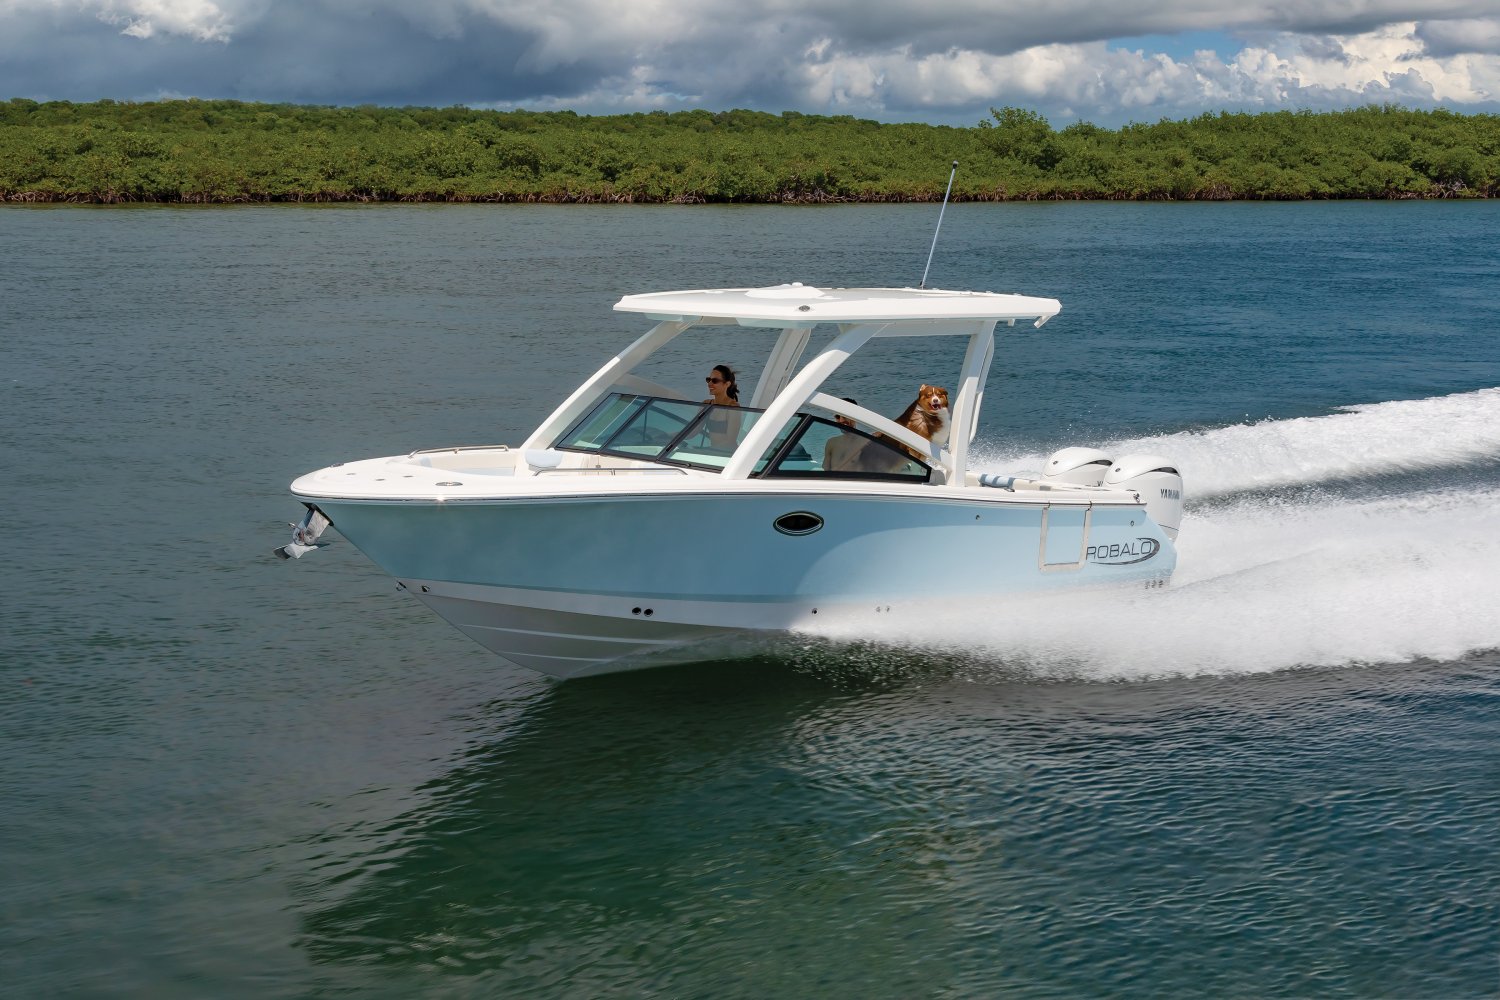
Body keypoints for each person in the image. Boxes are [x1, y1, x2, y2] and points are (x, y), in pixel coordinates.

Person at [702, 364, 742, 449]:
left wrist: (707, 450)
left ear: (727, 384)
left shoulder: (733, 407)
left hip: (727, 454)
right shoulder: (706, 404)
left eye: (715, 381)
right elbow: (693, 431)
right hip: (712, 451)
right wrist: (672, 436)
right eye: (708, 380)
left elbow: (730, 441)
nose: (709, 384)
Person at [823, 397, 865, 472]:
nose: (841, 420)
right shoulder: (831, 443)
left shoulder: (867, 443)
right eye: (838, 417)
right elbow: (826, 471)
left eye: (845, 416)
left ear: (856, 416)